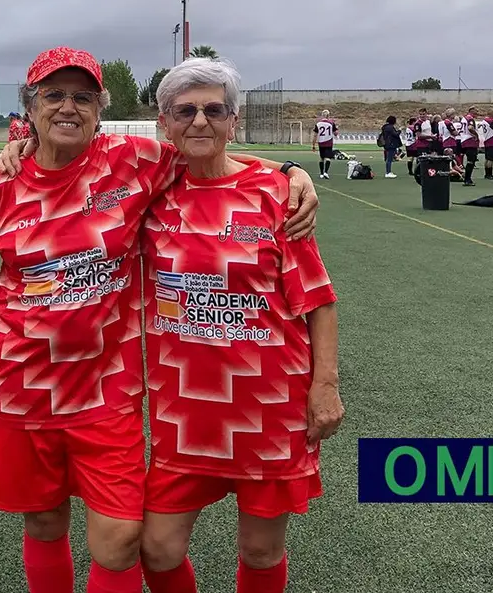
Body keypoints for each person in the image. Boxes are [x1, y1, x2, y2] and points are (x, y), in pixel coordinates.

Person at [0, 46, 319, 593]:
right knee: (45, 520)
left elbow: (208, 154)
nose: (68, 107)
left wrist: (289, 171)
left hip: (108, 390)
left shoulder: (134, 160)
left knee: (123, 540)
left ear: (100, 107)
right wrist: (22, 303)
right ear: (30, 107)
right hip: (23, 385)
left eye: (82, 96)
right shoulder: (4, 182)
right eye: (53, 95)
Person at [137, 57, 341, 593]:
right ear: (164, 121)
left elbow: (318, 299)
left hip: (268, 402)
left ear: (234, 119)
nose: (199, 121)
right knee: (156, 549)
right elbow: (72, 160)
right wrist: (16, 148)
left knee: (260, 548)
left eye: (213, 110)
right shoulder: (149, 192)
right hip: (184, 407)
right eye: (185, 111)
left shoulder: (276, 193)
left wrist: (325, 386)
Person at [312, 110, 336, 179]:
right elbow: (335, 133)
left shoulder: (318, 124)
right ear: (328, 116)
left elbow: (315, 135)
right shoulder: (331, 123)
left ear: (322, 115)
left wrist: (313, 145)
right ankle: (326, 172)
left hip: (321, 143)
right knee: (328, 158)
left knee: (321, 158)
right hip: (328, 142)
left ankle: (321, 173)